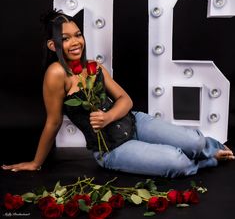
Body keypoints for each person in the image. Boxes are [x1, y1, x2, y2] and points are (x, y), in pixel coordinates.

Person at [2, 10, 234, 177]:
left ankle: (212, 149)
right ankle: (207, 161)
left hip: (135, 122)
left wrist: (108, 117)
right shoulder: (55, 74)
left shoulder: (95, 67)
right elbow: (52, 122)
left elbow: (126, 100)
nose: (76, 42)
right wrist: (35, 163)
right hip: (112, 149)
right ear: (53, 45)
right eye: (65, 38)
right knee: (177, 161)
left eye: (78, 34)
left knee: (194, 141)